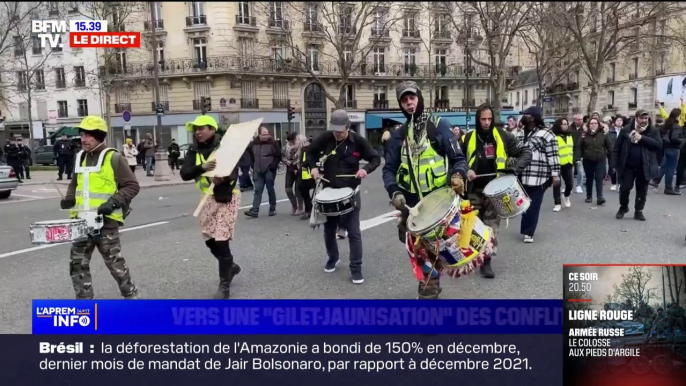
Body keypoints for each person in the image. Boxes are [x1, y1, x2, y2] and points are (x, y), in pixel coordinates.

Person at [383, 81, 468, 298]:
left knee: (435, 253)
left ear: (419, 98)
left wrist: (458, 176)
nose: (409, 103)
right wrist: (395, 192)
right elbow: (389, 169)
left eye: (412, 98)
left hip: (440, 207)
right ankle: (430, 282)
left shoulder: (439, 125)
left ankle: (428, 292)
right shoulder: (398, 134)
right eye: (404, 100)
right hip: (412, 209)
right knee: (420, 252)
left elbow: (458, 158)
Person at [59, 116, 140, 299]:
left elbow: (132, 186)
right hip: (81, 222)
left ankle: (132, 298)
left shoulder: (114, 158)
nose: (84, 139)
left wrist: (113, 202)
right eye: (82, 134)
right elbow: (74, 183)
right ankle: (84, 304)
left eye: (88, 135)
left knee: (115, 265)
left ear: (99, 136)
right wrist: (69, 199)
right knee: (77, 265)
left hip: (106, 223)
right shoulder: (79, 157)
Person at [307, 109, 381, 284]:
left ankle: (356, 268)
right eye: (335, 130)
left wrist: (365, 169)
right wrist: (312, 167)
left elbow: (375, 159)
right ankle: (333, 257)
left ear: (348, 127)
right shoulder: (326, 138)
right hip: (329, 191)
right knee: (329, 229)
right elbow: (310, 153)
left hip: (350, 192)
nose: (337, 133)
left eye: (340, 130)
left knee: (354, 232)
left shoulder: (358, 142)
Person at [460, 104, 532, 274]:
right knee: (473, 227)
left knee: (491, 227)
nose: (486, 122)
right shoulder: (466, 138)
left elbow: (526, 152)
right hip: (473, 191)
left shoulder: (503, 136)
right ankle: (472, 257)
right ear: (478, 120)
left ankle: (486, 261)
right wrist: (465, 170)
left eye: (489, 119)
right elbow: (457, 160)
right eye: (483, 119)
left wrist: (514, 170)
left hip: (496, 192)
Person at [180, 115, 242, 299]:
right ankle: (230, 267)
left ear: (212, 130)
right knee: (209, 239)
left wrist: (224, 177)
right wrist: (203, 167)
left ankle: (224, 287)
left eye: (202, 128)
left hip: (226, 197)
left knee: (221, 239)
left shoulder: (225, 146)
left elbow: (236, 168)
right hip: (206, 198)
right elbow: (185, 173)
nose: (197, 132)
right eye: (195, 129)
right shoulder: (194, 150)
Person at [518, 106, 560, 243]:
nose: (524, 117)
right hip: (521, 175)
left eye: (527, 115)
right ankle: (526, 229)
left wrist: (555, 174)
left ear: (534, 117)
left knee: (534, 203)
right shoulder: (519, 133)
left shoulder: (547, 134)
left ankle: (529, 232)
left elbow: (553, 155)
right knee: (524, 203)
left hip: (539, 175)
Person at [612, 109, 661, 221]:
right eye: (641, 118)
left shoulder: (652, 130)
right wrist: (614, 164)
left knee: (642, 189)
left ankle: (638, 211)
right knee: (625, 188)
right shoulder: (626, 129)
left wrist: (642, 138)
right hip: (628, 165)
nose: (644, 120)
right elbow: (617, 147)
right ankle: (623, 207)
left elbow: (658, 145)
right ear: (636, 118)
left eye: (646, 118)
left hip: (644, 166)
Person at [245, 127, 281, 218]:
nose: (266, 136)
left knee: (270, 190)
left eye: (267, 134)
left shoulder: (273, 143)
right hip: (257, 170)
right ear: (259, 135)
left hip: (269, 170)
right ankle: (255, 210)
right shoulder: (254, 144)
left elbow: (278, 155)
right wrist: (252, 164)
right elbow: (249, 153)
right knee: (258, 190)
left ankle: (272, 208)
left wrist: (273, 166)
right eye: (264, 135)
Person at [580, 117, 613, 205]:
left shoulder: (604, 134)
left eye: (595, 123)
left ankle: (600, 197)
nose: (593, 125)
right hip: (588, 160)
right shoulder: (584, 135)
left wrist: (613, 158)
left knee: (599, 177)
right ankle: (589, 196)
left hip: (600, 159)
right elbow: (579, 147)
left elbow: (610, 147)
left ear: (598, 125)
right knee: (589, 178)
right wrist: (580, 157)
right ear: (588, 125)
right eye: (591, 123)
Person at [651, 108, 684, 195]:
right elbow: (674, 138)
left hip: (666, 148)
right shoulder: (676, 126)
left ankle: (656, 180)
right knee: (671, 169)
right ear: (677, 116)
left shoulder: (668, 124)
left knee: (665, 166)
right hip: (674, 149)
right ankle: (668, 188)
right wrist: (683, 140)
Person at [551, 118, 576, 211]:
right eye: (563, 124)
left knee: (570, 184)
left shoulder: (570, 135)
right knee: (557, 184)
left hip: (568, 163)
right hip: (557, 164)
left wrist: (574, 160)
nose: (565, 126)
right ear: (558, 125)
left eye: (566, 124)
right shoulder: (553, 136)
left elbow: (573, 148)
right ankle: (557, 203)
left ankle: (566, 195)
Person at [283, 132, 305, 216]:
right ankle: (294, 205)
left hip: (299, 169)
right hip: (290, 169)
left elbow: (304, 156)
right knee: (287, 189)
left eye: (293, 141)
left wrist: (297, 163)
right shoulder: (286, 147)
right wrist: (288, 162)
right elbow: (282, 157)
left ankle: (300, 207)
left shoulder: (302, 145)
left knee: (298, 190)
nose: (292, 143)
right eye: (290, 142)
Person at [297, 135, 315, 220]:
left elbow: (306, 161)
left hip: (307, 175)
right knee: (305, 194)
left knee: (305, 194)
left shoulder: (305, 149)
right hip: (306, 175)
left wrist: (302, 165)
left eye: (298, 140)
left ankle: (309, 211)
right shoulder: (306, 148)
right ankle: (309, 210)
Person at [569, 114, 586, 194]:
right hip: (570, 152)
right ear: (574, 120)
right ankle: (569, 186)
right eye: (578, 119)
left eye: (581, 119)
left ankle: (578, 185)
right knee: (570, 171)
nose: (580, 121)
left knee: (580, 170)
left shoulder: (585, 129)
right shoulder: (569, 129)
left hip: (580, 152)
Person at [608, 116, 623, 191]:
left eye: (621, 120)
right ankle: (613, 183)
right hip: (613, 152)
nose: (619, 121)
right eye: (618, 120)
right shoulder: (610, 131)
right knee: (612, 167)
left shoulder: (625, 130)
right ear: (615, 122)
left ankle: (620, 183)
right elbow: (609, 141)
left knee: (621, 168)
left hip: (622, 152)